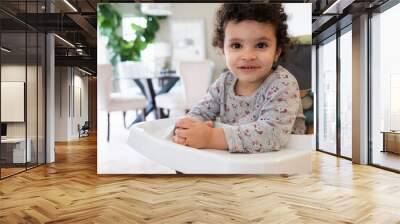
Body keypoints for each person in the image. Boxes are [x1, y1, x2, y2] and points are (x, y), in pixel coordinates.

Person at [172, 3, 306, 153]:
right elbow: (200, 113)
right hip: (235, 161)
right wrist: (188, 130)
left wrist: (210, 137)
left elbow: (272, 134)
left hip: (282, 164)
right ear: (223, 51)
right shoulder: (223, 83)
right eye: (236, 45)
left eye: (261, 45)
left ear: (277, 52)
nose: (248, 56)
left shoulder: (284, 83)